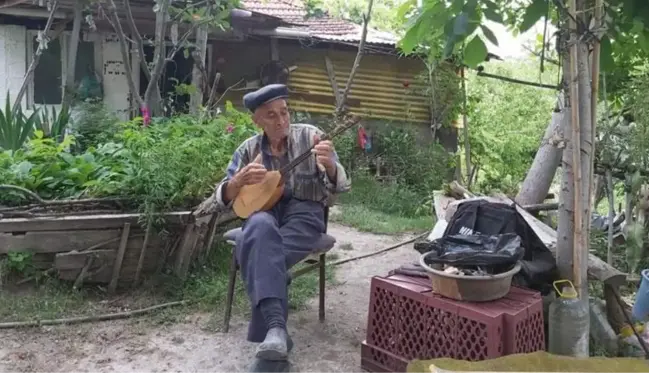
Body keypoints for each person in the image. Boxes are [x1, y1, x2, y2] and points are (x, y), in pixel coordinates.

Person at [211, 84, 351, 367]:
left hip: (304, 216)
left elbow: (343, 185)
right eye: (271, 115)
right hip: (266, 215)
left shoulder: (311, 137)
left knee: (258, 249)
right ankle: (277, 332)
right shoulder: (248, 150)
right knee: (259, 225)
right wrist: (237, 182)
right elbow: (221, 200)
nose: (281, 120)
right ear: (257, 121)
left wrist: (332, 167)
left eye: (284, 112)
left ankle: (273, 336)